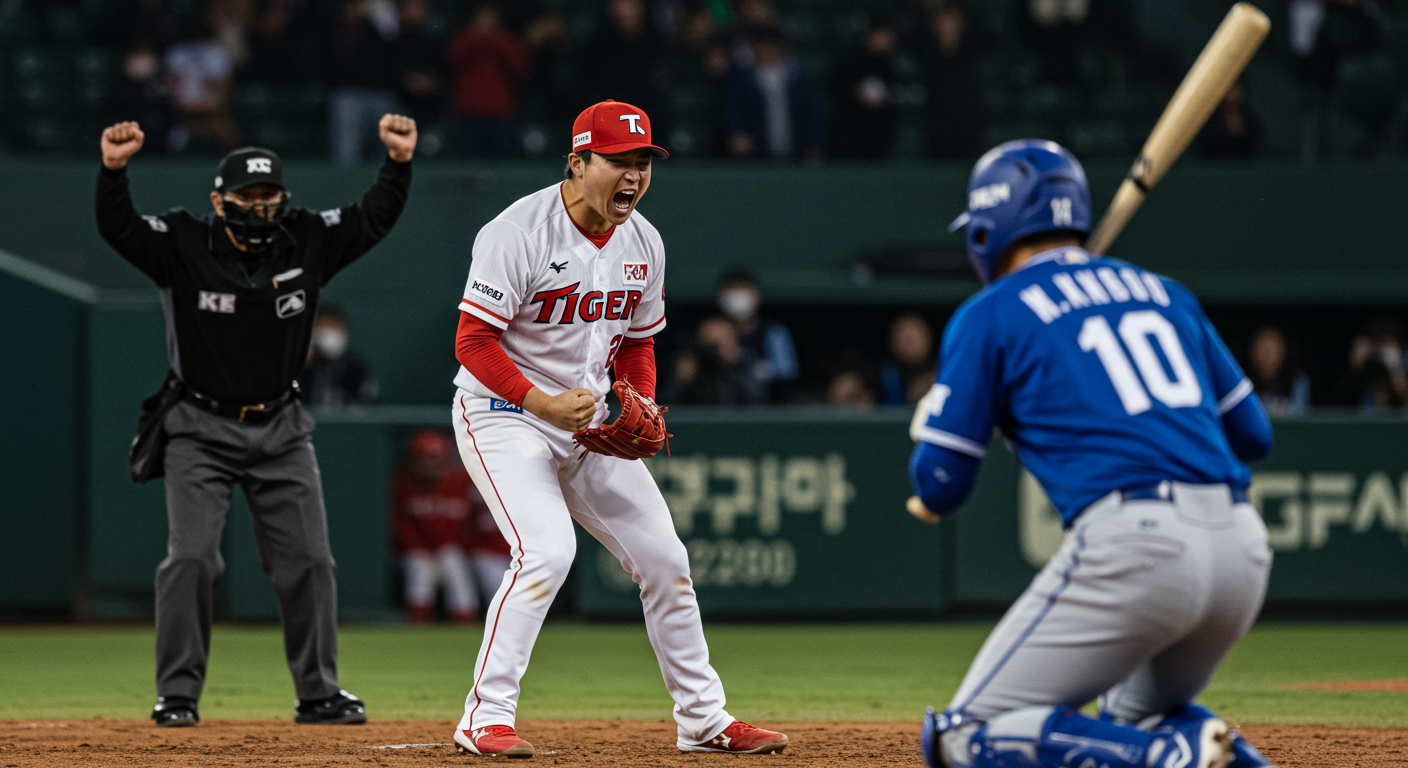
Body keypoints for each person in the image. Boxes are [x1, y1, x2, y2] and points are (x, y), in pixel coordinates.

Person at [909, 140, 1275, 768]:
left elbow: (940, 485)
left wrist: (939, 428)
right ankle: (1199, 751)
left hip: (1136, 543)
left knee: (958, 734)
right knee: (1137, 714)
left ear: (989, 231)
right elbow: (1253, 435)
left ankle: (1171, 758)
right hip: (1241, 547)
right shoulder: (1166, 293)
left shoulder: (991, 313)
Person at [447, 99, 788, 757]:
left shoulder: (645, 242)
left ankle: (703, 719)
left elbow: (637, 344)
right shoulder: (518, 231)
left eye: (642, 163)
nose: (632, 176)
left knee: (667, 561)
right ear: (577, 163)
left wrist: (643, 404)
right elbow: (473, 341)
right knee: (546, 552)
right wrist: (541, 404)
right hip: (503, 413)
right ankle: (483, 717)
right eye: (618, 162)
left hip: (589, 422)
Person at [95, 113, 417, 728]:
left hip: (281, 427)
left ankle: (318, 693)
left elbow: (371, 218)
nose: (262, 206)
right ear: (221, 200)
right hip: (198, 424)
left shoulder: (307, 238)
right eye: (249, 196)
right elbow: (120, 229)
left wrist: (397, 163)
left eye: (271, 195)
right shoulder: (183, 241)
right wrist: (113, 172)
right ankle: (178, 694)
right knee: (190, 559)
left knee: (311, 563)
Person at [391, 430, 480, 623]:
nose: (431, 466)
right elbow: (399, 524)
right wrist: (417, 546)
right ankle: (419, 623)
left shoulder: (460, 481)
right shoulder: (403, 482)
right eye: (426, 460)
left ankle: (464, 623)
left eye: (436, 460)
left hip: (449, 548)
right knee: (419, 567)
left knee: (453, 563)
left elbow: (469, 524)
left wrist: (453, 546)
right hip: (415, 550)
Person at [723, 26, 825, 162]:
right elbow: (733, 109)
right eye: (759, 45)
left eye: (768, 45)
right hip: (756, 155)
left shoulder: (798, 76)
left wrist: (814, 143)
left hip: (796, 151)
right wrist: (736, 132)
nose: (764, 50)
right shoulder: (742, 77)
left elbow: (812, 111)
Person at [447, 2, 528, 158]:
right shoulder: (463, 38)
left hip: (501, 113)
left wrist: (495, 40)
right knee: (468, 163)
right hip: (469, 112)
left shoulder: (507, 40)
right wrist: (476, 39)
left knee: (502, 162)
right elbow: (453, 60)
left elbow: (520, 68)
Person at [330, 0, 403, 165]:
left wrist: (377, 12)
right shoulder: (339, 13)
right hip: (349, 92)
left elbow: (393, 36)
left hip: (383, 92)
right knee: (347, 155)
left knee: (386, 157)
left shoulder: (385, 10)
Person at [717, 269, 798, 403]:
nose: (737, 298)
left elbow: (786, 378)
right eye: (731, 291)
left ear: (756, 295)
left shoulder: (774, 332)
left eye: (743, 290)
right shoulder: (710, 332)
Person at [828, 15, 901, 160]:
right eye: (885, 35)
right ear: (873, 34)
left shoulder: (887, 63)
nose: (889, 40)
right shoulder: (848, 58)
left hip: (877, 140)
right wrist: (854, 93)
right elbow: (832, 88)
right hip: (850, 138)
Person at [299, 305, 379, 407]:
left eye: (332, 326)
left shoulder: (355, 367)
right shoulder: (300, 366)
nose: (327, 333)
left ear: (343, 331)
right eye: (322, 326)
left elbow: (365, 405)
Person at [1245, 325, 1309, 416]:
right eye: (1263, 347)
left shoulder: (1297, 381)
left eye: (1273, 348)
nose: (1267, 354)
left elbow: (1300, 422)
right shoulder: (1242, 381)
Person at [879, 313, 935, 406]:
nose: (909, 339)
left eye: (916, 331)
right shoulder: (881, 378)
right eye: (902, 332)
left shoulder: (943, 374)